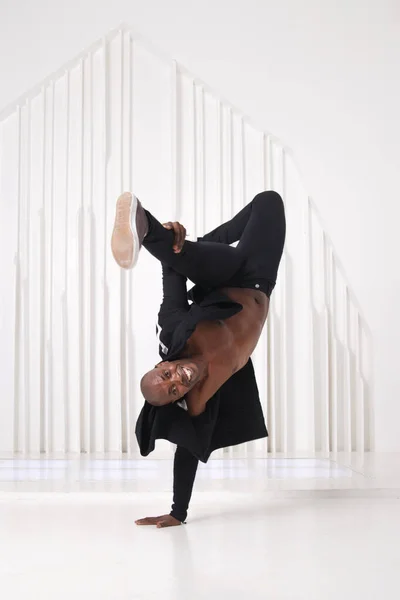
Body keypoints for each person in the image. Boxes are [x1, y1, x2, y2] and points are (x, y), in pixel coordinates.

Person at [111, 190, 286, 527]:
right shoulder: (201, 396)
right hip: (261, 279)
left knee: (180, 253)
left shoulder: (176, 332)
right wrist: (178, 511)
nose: (179, 380)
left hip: (227, 275)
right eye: (174, 390)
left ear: (162, 365)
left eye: (167, 376)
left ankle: (141, 221)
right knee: (269, 202)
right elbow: (187, 449)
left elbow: (173, 281)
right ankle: (201, 242)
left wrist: (175, 244)